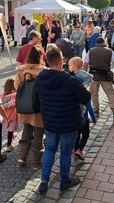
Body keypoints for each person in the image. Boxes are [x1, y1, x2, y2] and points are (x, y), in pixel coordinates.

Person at [34, 44, 91, 194]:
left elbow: (35, 104)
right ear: (61, 61)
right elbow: (85, 97)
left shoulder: (40, 79)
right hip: (68, 124)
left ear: (47, 62)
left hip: (50, 123)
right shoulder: (70, 80)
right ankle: (64, 180)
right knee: (65, 152)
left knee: (50, 150)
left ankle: (44, 182)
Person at [14, 46, 47, 170]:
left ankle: (22, 156)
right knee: (38, 134)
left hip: (24, 105)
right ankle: (36, 162)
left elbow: (17, 86)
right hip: (38, 107)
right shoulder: (43, 71)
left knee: (27, 130)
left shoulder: (21, 70)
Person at [68, 57, 97, 161]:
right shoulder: (85, 94)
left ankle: (75, 150)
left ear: (75, 67)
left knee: (76, 135)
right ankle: (79, 150)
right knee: (85, 135)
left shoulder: (72, 93)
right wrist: (94, 119)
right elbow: (89, 107)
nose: (68, 67)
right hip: (84, 119)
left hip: (75, 118)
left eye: (69, 65)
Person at [84, 37, 114, 121]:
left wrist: (85, 74)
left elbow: (85, 64)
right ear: (104, 42)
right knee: (110, 93)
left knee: (94, 94)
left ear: (96, 43)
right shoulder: (109, 51)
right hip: (105, 76)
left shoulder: (91, 51)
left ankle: (96, 111)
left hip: (93, 76)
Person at [0, 78, 18, 152]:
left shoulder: (1, 95)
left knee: (9, 131)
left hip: (3, 116)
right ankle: (8, 145)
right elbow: (12, 103)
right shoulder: (14, 95)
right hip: (11, 116)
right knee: (10, 131)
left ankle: (12, 136)